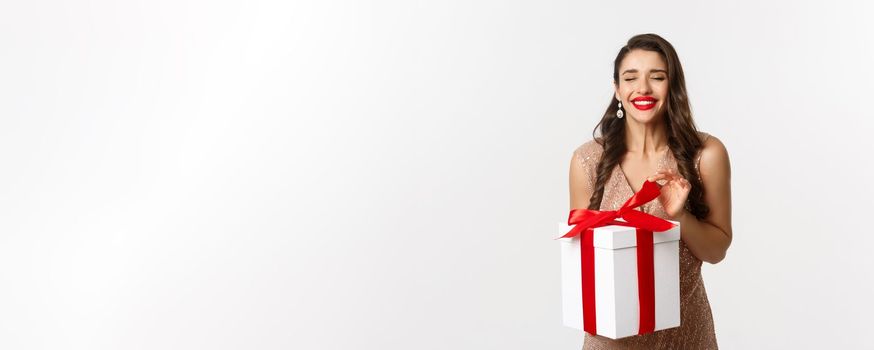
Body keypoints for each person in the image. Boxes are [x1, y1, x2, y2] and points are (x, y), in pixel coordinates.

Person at [569, 33, 732, 349]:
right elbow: (581, 264)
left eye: (657, 77)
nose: (643, 88)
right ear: (618, 89)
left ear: (673, 87)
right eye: (631, 78)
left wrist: (680, 216)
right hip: (611, 339)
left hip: (685, 334)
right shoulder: (586, 161)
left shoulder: (706, 154)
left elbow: (717, 251)